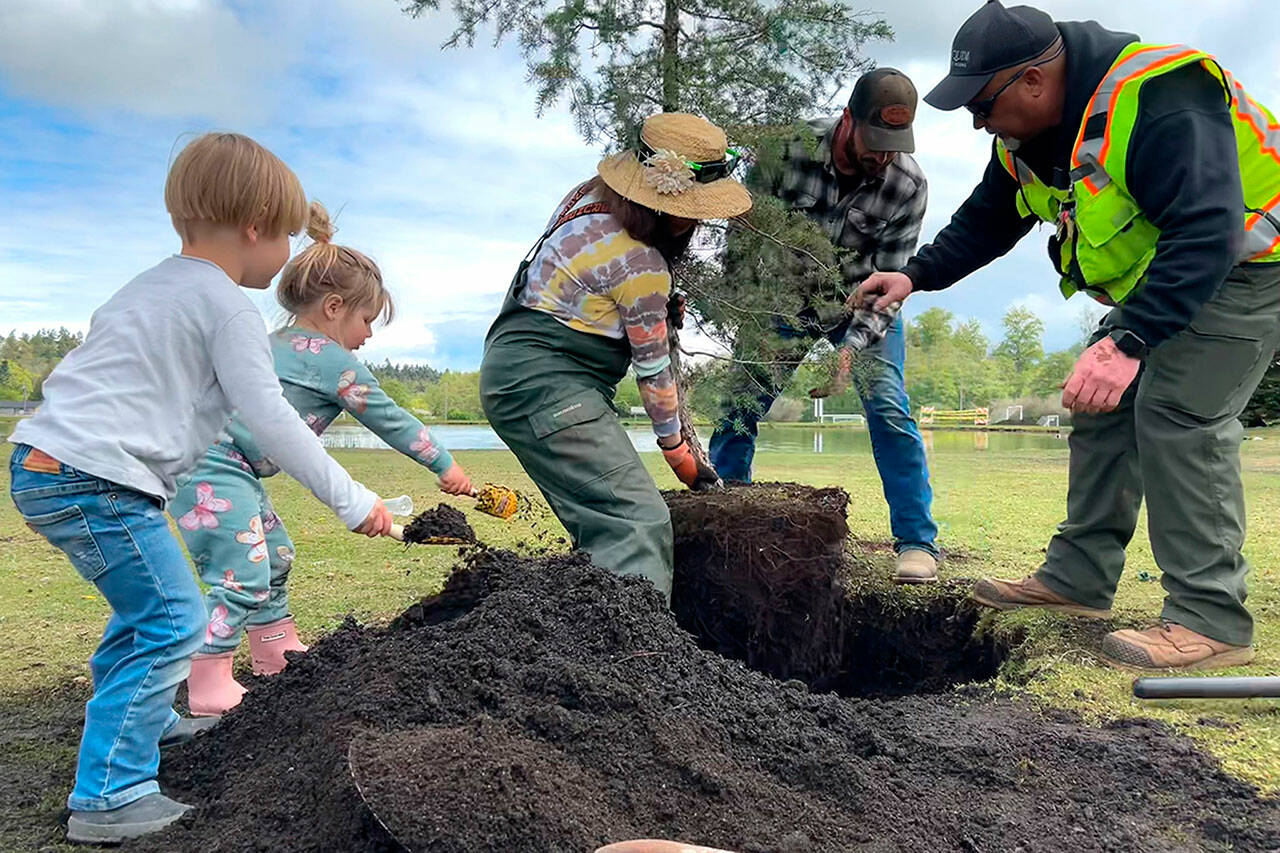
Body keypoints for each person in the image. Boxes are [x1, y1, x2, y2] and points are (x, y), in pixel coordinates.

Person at [857, 1, 1280, 670]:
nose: (976, 122)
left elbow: (1206, 227)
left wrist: (1127, 341)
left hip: (1249, 260)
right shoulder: (1028, 138)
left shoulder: (1162, 94)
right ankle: (1078, 580)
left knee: (1179, 412)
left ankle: (1211, 617)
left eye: (982, 104)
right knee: (1100, 407)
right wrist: (914, 277)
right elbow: (987, 220)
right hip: (1172, 274)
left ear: (1032, 80)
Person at [7, 134, 394, 843]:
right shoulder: (226, 306)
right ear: (254, 228)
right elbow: (271, 416)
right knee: (171, 619)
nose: (286, 253)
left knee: (141, 613)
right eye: (283, 235)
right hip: (96, 476)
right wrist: (352, 499)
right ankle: (111, 794)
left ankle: (146, 724)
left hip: (50, 463)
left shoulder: (153, 284)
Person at [171, 201, 474, 716]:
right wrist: (445, 465)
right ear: (333, 308)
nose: (369, 335)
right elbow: (391, 418)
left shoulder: (276, 344)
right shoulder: (332, 361)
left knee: (277, 553)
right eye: (366, 320)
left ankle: (275, 651)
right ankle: (207, 680)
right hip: (210, 464)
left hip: (231, 465)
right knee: (240, 570)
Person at [480, 112, 751, 602]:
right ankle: (632, 665)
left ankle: (581, 635)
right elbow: (653, 374)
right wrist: (681, 456)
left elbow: (585, 291)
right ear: (670, 205)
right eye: (696, 211)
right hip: (546, 384)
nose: (699, 222)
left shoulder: (587, 196)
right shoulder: (642, 265)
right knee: (632, 523)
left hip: (514, 363)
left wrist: (651, 308)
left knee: (603, 515)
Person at [707, 68, 942, 584]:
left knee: (887, 406)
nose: (883, 156)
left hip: (858, 303)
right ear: (846, 119)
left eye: (894, 145)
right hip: (784, 301)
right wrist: (743, 308)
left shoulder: (908, 185)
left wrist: (851, 347)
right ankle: (723, 516)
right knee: (741, 401)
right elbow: (743, 233)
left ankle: (917, 542)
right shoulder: (785, 151)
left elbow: (891, 282)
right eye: (875, 141)